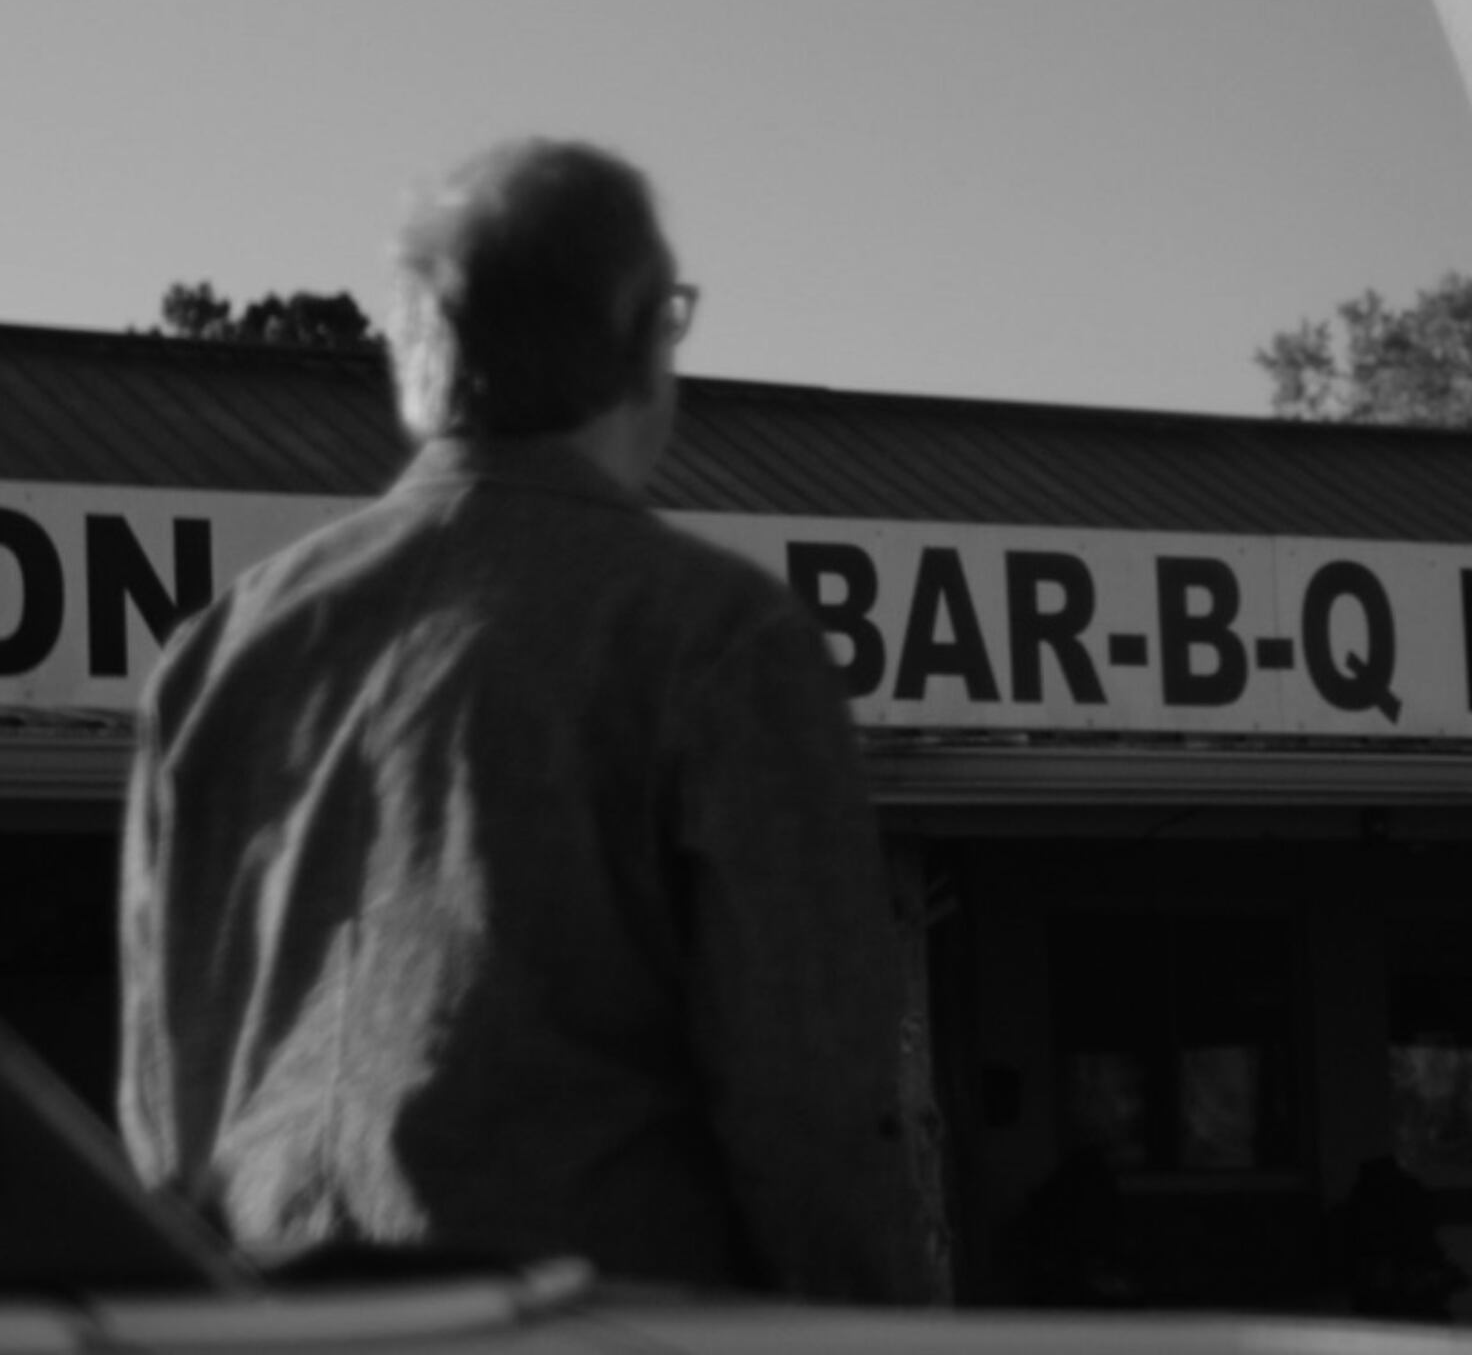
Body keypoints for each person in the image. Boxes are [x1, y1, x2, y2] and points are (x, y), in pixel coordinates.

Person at [118, 139, 938, 1301]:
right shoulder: (720, 640)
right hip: (596, 1316)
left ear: (414, 352)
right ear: (649, 332)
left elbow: (165, 1107)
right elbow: (809, 1110)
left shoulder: (215, 655)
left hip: (271, 1324)